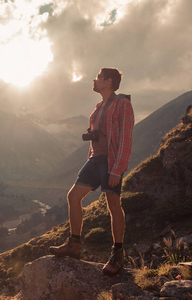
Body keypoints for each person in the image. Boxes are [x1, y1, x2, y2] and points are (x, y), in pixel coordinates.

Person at [49, 68, 134, 276]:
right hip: (94, 159)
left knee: (113, 204)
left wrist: (118, 169)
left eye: (98, 77)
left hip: (111, 161)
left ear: (108, 81)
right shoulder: (97, 108)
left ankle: (118, 254)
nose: (94, 80)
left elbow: (125, 138)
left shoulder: (123, 103)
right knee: (73, 196)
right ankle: (74, 244)